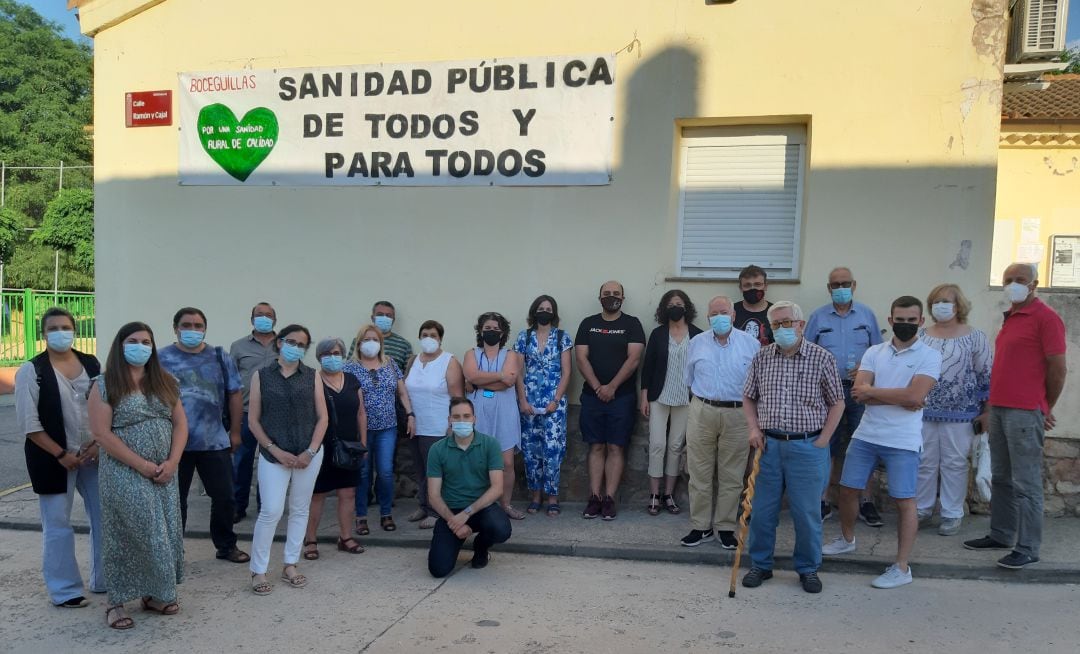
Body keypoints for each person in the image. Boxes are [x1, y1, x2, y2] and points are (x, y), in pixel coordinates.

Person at [823, 296, 941, 589]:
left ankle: (901, 567)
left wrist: (879, 393)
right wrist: (902, 396)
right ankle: (847, 540)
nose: (905, 325)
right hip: (866, 435)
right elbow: (859, 394)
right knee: (848, 490)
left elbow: (915, 397)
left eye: (911, 320)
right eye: (899, 320)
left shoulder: (930, 356)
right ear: (890, 321)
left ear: (921, 322)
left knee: (904, 501)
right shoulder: (874, 351)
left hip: (903, 440)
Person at [964, 263, 1067, 570]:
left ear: (1034, 284)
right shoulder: (1010, 318)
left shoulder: (1047, 319)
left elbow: (1058, 368)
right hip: (999, 407)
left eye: (1019, 280)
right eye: (1007, 280)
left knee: (1026, 483)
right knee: (1002, 477)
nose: (1012, 284)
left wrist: (1044, 405)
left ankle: (1028, 546)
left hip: (1024, 411)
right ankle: (1002, 534)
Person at [87, 321, 187, 629]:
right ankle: (115, 602)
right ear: (120, 345)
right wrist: (142, 465)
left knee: (163, 533)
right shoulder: (104, 384)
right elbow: (102, 434)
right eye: (133, 340)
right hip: (123, 471)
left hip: (164, 472)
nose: (140, 346)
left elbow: (181, 425)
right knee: (128, 534)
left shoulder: (166, 381)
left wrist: (172, 462)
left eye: (146, 341)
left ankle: (153, 593)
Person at [741, 302, 845, 594]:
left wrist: (823, 439)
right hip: (769, 445)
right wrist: (753, 427)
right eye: (775, 324)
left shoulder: (821, 358)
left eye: (787, 322)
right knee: (762, 511)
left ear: (800, 325)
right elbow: (748, 397)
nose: (781, 329)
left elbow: (837, 401)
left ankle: (808, 568)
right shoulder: (762, 357)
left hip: (807, 446)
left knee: (807, 513)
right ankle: (761, 565)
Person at [16, 307, 103, 608]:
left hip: (93, 456)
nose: (60, 333)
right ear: (43, 334)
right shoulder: (32, 370)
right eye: (53, 328)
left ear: (74, 330)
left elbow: (105, 406)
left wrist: (98, 444)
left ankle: (104, 579)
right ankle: (65, 590)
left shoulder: (91, 363)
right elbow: (29, 425)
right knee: (57, 524)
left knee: (104, 517)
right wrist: (60, 454)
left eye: (65, 327)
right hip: (52, 459)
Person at [158, 307, 249, 564]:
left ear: (205, 328)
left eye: (198, 325)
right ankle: (174, 551)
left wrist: (235, 432)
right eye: (187, 325)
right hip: (174, 444)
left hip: (214, 440)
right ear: (175, 328)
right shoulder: (161, 358)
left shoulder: (220, 356)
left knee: (224, 497)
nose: (193, 330)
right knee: (176, 501)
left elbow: (234, 394)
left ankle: (226, 546)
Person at [246, 324, 328, 595]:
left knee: (300, 508)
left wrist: (311, 451)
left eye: (302, 344)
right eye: (291, 341)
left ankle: (290, 564)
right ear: (280, 342)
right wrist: (275, 449)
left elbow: (322, 417)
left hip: (308, 454)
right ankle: (258, 570)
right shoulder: (262, 376)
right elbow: (253, 420)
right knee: (270, 510)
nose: (296, 347)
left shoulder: (312, 376)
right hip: (274, 455)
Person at [805, 266, 884, 525]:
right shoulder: (817, 318)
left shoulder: (866, 315)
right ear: (829, 288)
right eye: (835, 284)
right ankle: (822, 500)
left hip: (860, 390)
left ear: (854, 285)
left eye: (845, 283)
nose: (841, 288)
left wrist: (865, 367)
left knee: (865, 445)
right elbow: (805, 353)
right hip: (827, 392)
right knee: (825, 445)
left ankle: (867, 502)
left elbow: (879, 352)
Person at [680, 296, 760, 548]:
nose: (719, 317)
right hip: (702, 410)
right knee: (699, 472)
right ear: (708, 318)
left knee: (732, 474)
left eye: (724, 312)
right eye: (714, 314)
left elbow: (757, 383)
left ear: (734, 315)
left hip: (738, 413)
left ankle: (725, 527)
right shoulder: (696, 343)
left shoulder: (751, 344)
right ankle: (700, 526)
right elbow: (689, 379)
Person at [915, 284, 992, 535]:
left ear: (958, 305)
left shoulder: (975, 337)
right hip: (924, 411)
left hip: (962, 413)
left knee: (955, 463)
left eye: (946, 301)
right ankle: (922, 509)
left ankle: (951, 513)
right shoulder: (921, 335)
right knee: (924, 461)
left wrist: (987, 410)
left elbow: (986, 376)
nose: (940, 306)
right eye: (935, 301)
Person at [575, 281, 646, 521]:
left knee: (616, 447)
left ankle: (609, 499)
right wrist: (598, 387)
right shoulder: (588, 324)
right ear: (599, 297)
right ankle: (594, 498)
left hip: (622, 397)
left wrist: (612, 387)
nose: (611, 297)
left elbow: (634, 359)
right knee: (595, 446)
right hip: (592, 396)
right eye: (607, 293)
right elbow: (581, 358)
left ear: (623, 298)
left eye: (616, 294)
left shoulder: (632, 324)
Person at [427, 397, 512, 577]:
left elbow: (497, 488)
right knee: (438, 570)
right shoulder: (437, 449)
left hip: (481, 508)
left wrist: (466, 513)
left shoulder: (490, 444)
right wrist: (454, 522)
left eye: (466, 416)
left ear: (475, 419)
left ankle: (481, 547)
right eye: (456, 417)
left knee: (501, 529)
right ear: (449, 420)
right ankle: (455, 539)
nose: (462, 421)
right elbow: (433, 496)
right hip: (451, 512)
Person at [345, 324, 416, 534]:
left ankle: (386, 514)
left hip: (388, 428)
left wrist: (410, 414)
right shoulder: (349, 367)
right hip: (361, 430)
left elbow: (402, 393)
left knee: (385, 472)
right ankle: (361, 516)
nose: (371, 344)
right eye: (367, 339)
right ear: (359, 343)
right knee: (364, 472)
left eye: (375, 340)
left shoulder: (390, 363)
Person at [639, 290, 701, 517]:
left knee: (675, 446)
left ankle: (668, 494)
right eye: (671, 303)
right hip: (659, 396)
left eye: (679, 303)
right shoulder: (657, 334)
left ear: (687, 307)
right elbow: (647, 367)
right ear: (665, 308)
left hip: (686, 399)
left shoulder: (697, 335)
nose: (675, 307)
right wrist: (644, 396)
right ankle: (654, 495)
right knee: (657, 445)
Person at [303, 338, 367, 558]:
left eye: (337, 353)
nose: (333, 357)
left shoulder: (352, 379)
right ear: (320, 357)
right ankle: (311, 539)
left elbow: (361, 413)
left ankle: (346, 537)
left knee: (348, 493)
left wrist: (363, 443)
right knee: (317, 494)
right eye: (327, 354)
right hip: (321, 446)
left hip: (349, 446)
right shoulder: (312, 380)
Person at [514, 296, 574, 516]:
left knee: (552, 450)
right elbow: (518, 371)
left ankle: (552, 497)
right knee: (531, 451)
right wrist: (522, 399)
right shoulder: (524, 337)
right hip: (528, 403)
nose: (544, 312)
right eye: (541, 308)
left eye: (548, 309)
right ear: (534, 311)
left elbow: (567, 372)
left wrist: (555, 400)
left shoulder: (562, 337)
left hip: (554, 404)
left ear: (554, 313)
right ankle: (535, 496)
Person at [405, 320, 465, 529]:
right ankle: (423, 504)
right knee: (420, 470)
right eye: (424, 335)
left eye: (433, 335)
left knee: (436, 473)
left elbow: (458, 396)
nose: (428, 338)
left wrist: (453, 425)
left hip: (438, 426)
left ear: (440, 339)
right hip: (415, 426)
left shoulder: (449, 361)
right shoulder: (413, 360)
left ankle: (436, 511)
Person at [465, 311, 524, 519]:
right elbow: (471, 375)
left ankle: (505, 504)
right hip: (479, 409)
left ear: (503, 332)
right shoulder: (471, 354)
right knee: (478, 460)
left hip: (505, 410)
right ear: (480, 331)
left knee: (506, 462)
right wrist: (499, 375)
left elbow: (509, 382)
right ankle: (479, 506)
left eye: (496, 329)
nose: (492, 332)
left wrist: (480, 381)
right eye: (487, 328)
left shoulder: (511, 355)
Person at [229, 302, 278, 523]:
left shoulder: (283, 346)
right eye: (260, 315)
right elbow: (230, 381)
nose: (264, 318)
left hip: (274, 415)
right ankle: (237, 506)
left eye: (268, 315)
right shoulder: (238, 347)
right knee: (241, 461)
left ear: (275, 320)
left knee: (270, 463)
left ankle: (265, 507)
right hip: (246, 412)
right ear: (252, 319)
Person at [733, 265, 774, 345]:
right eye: (747, 285)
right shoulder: (731, 311)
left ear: (765, 286)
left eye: (757, 284)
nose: (752, 288)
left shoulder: (775, 312)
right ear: (741, 288)